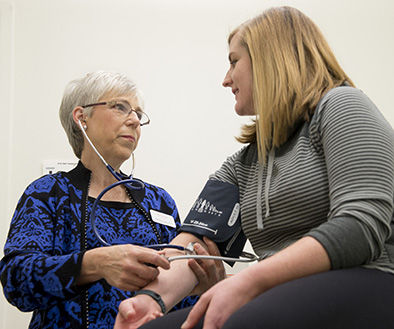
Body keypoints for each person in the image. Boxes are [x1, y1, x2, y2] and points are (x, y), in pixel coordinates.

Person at [115, 6, 394, 329]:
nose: (225, 78)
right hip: (293, 297)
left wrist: (250, 281)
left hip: (392, 284)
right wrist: (149, 299)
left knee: (240, 320)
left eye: (234, 61)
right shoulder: (242, 164)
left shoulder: (342, 106)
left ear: (269, 59)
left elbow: (359, 225)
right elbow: (197, 244)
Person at [0, 71, 225, 329]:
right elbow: (16, 280)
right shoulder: (47, 193)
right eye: (121, 107)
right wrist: (97, 263)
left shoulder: (159, 201)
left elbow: (174, 300)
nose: (134, 121)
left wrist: (199, 288)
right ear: (81, 117)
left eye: (138, 114)